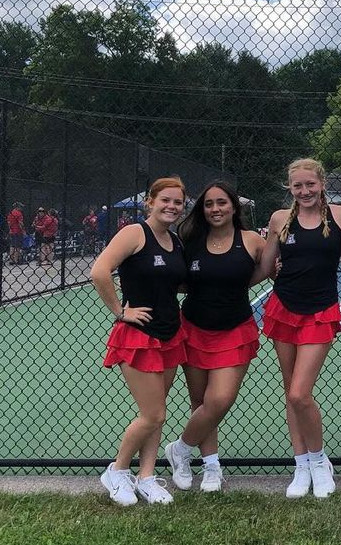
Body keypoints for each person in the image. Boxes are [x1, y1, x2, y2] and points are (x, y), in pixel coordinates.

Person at [164, 182, 269, 493]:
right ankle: (211, 467)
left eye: (221, 203)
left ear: (233, 207)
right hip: (194, 328)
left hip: (235, 330)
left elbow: (270, 271)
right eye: (209, 204)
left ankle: (179, 450)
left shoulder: (251, 241)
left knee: (220, 400)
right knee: (201, 402)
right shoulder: (190, 240)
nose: (215, 209)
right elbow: (177, 280)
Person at [260, 158, 341, 498]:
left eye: (310, 184)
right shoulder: (279, 219)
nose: (304, 191)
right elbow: (265, 265)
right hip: (283, 309)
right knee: (292, 394)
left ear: (322, 183)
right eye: (297, 186)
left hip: (320, 311)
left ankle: (319, 461)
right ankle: (301, 464)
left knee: (301, 392)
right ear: (291, 188)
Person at [90, 177, 188, 506]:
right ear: (151, 201)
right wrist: (121, 311)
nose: (172, 206)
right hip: (138, 336)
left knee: (158, 412)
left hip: (171, 333)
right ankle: (117, 471)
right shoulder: (135, 233)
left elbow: (178, 285)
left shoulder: (175, 241)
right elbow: (100, 271)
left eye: (178, 202)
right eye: (166, 200)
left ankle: (146, 476)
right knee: (154, 414)